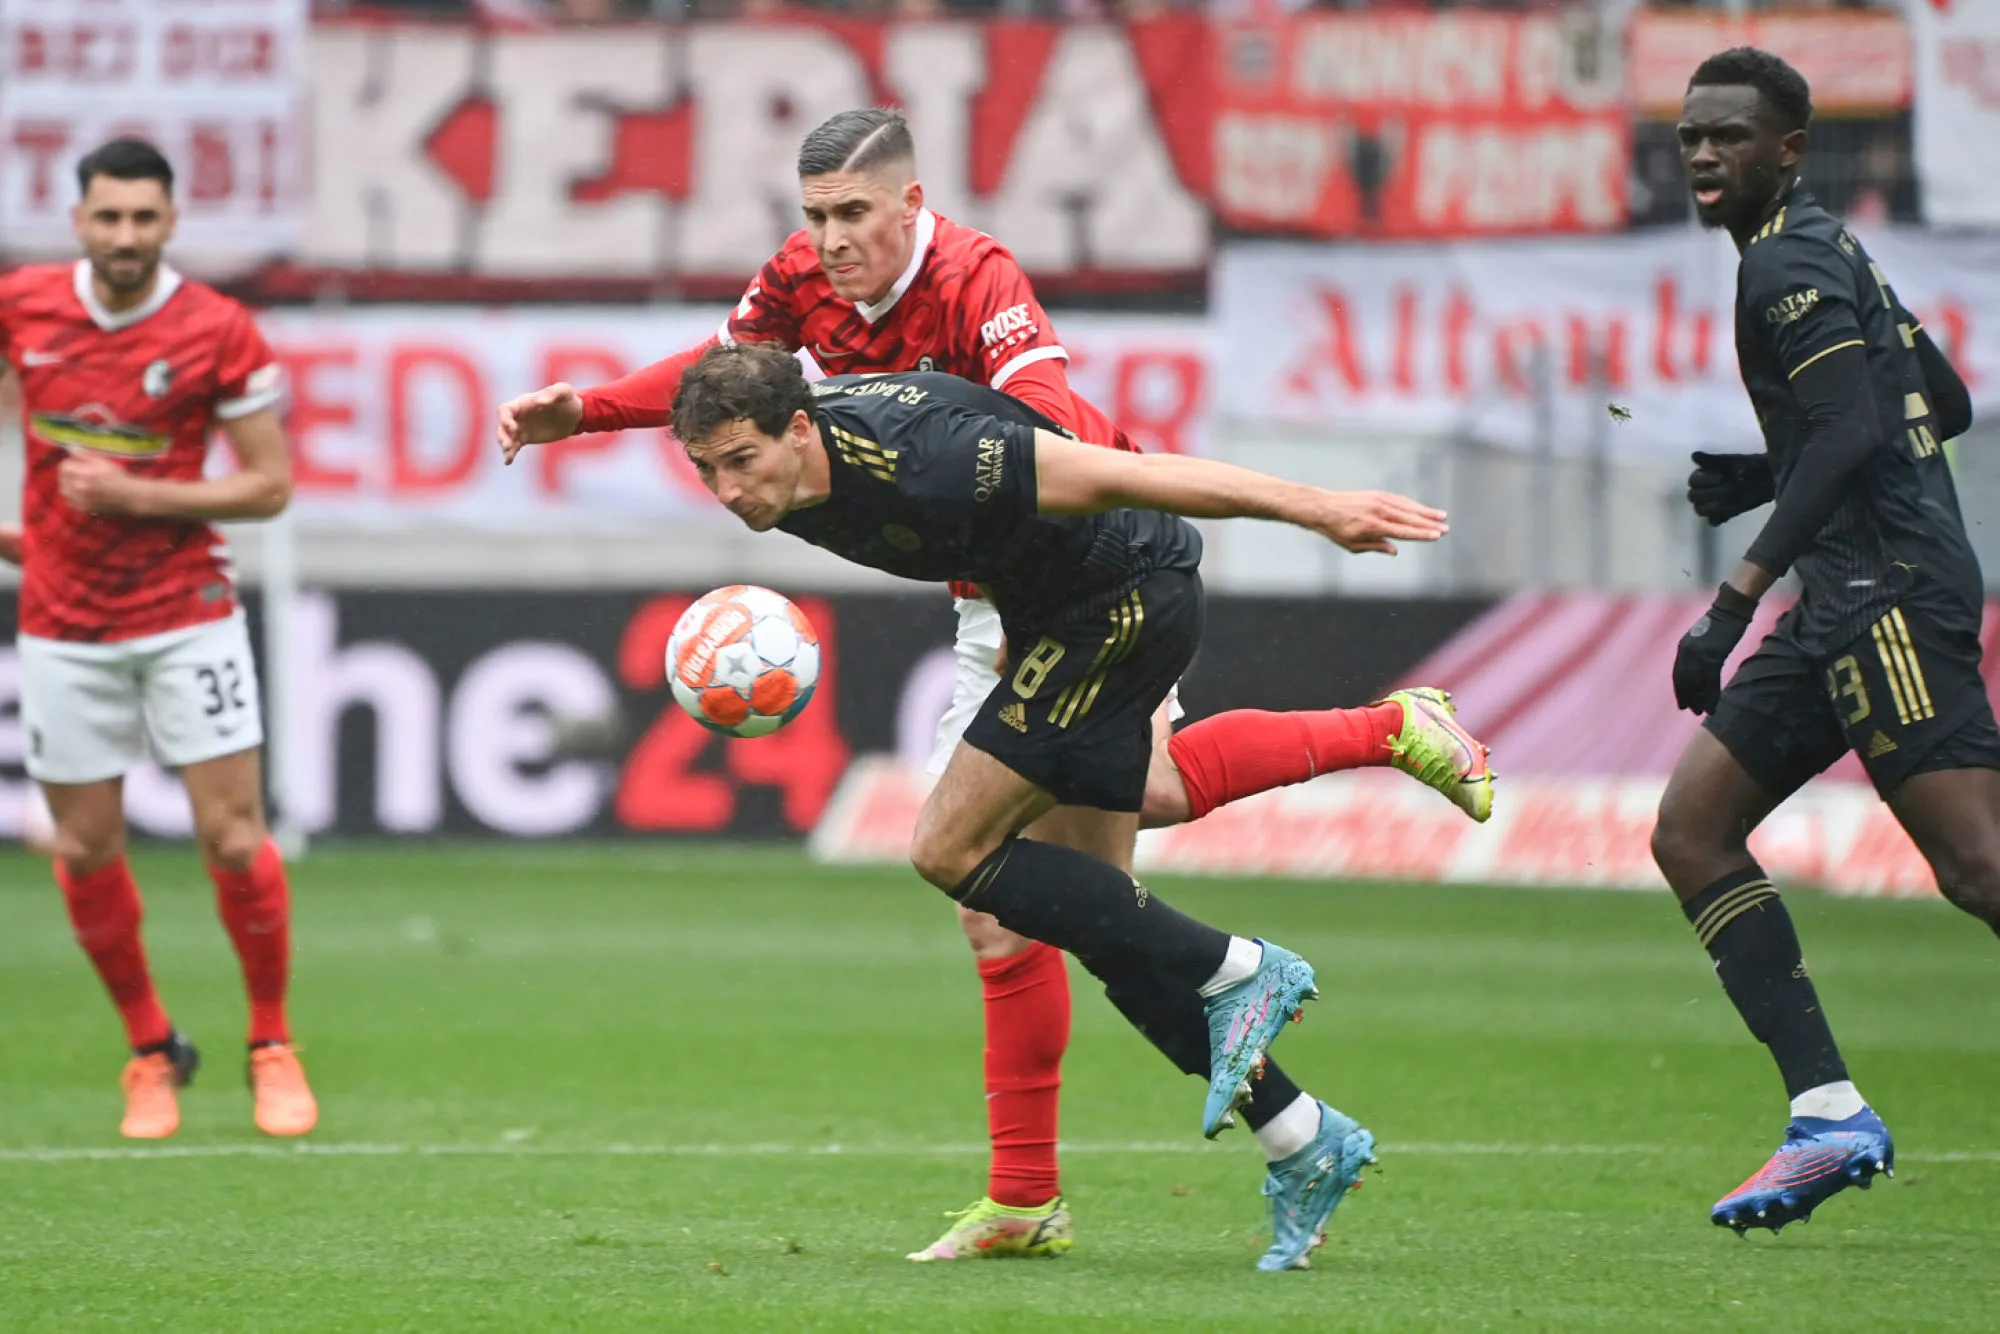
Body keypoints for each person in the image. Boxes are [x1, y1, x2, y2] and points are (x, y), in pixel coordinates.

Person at [496, 107, 1494, 1262]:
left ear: (910, 207)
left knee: (989, 874)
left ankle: (1151, 1067)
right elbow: (721, 386)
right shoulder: (791, 318)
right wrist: (590, 411)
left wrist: (1298, 506)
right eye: (814, 216)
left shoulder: (976, 286)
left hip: (1077, 557)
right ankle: (1289, 1127)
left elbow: (1071, 438)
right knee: (1101, 872)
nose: (830, 240)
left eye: (853, 214)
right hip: (1010, 582)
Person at [663, 341, 1453, 1269]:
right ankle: (1299, 1135)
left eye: (740, 462)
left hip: (1120, 606)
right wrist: (589, 412)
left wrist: (1317, 507)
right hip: (1056, 616)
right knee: (1098, 916)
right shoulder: (790, 466)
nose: (727, 489)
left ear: (799, 429)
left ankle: (1238, 965)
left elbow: (1129, 475)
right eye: (705, 469)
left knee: (947, 846)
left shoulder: (928, 456)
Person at [1654, 48, 1991, 1235]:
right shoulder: (1823, 247)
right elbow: (1933, 404)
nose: (1701, 153)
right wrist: (1767, 468)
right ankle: (1827, 1113)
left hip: (1884, 592)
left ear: (1785, 149)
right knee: (1690, 831)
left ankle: (1827, 1113)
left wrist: (1731, 597)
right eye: (1690, 134)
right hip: (1844, 589)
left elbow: (1857, 423)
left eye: (1728, 136)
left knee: (1977, 867)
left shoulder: (1785, 261)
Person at [0, 140, 315, 1140]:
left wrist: (137, 493)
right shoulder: (25, 307)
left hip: (187, 615)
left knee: (231, 836)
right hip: (62, 624)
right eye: (108, 217)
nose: (126, 235)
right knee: (88, 847)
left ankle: (271, 1041)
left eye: (144, 217)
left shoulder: (217, 329)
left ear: (172, 222)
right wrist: (32, 529)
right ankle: (150, 1048)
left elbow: (267, 485)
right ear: (79, 221)